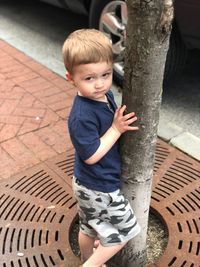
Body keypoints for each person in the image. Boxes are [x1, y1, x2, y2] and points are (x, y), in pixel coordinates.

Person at [62, 29, 141, 267]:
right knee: (125, 233)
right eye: (89, 78)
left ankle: (86, 258)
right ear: (71, 78)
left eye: (105, 75)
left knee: (88, 226)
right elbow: (91, 156)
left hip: (88, 185)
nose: (99, 84)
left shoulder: (101, 97)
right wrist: (116, 129)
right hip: (99, 186)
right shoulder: (81, 116)